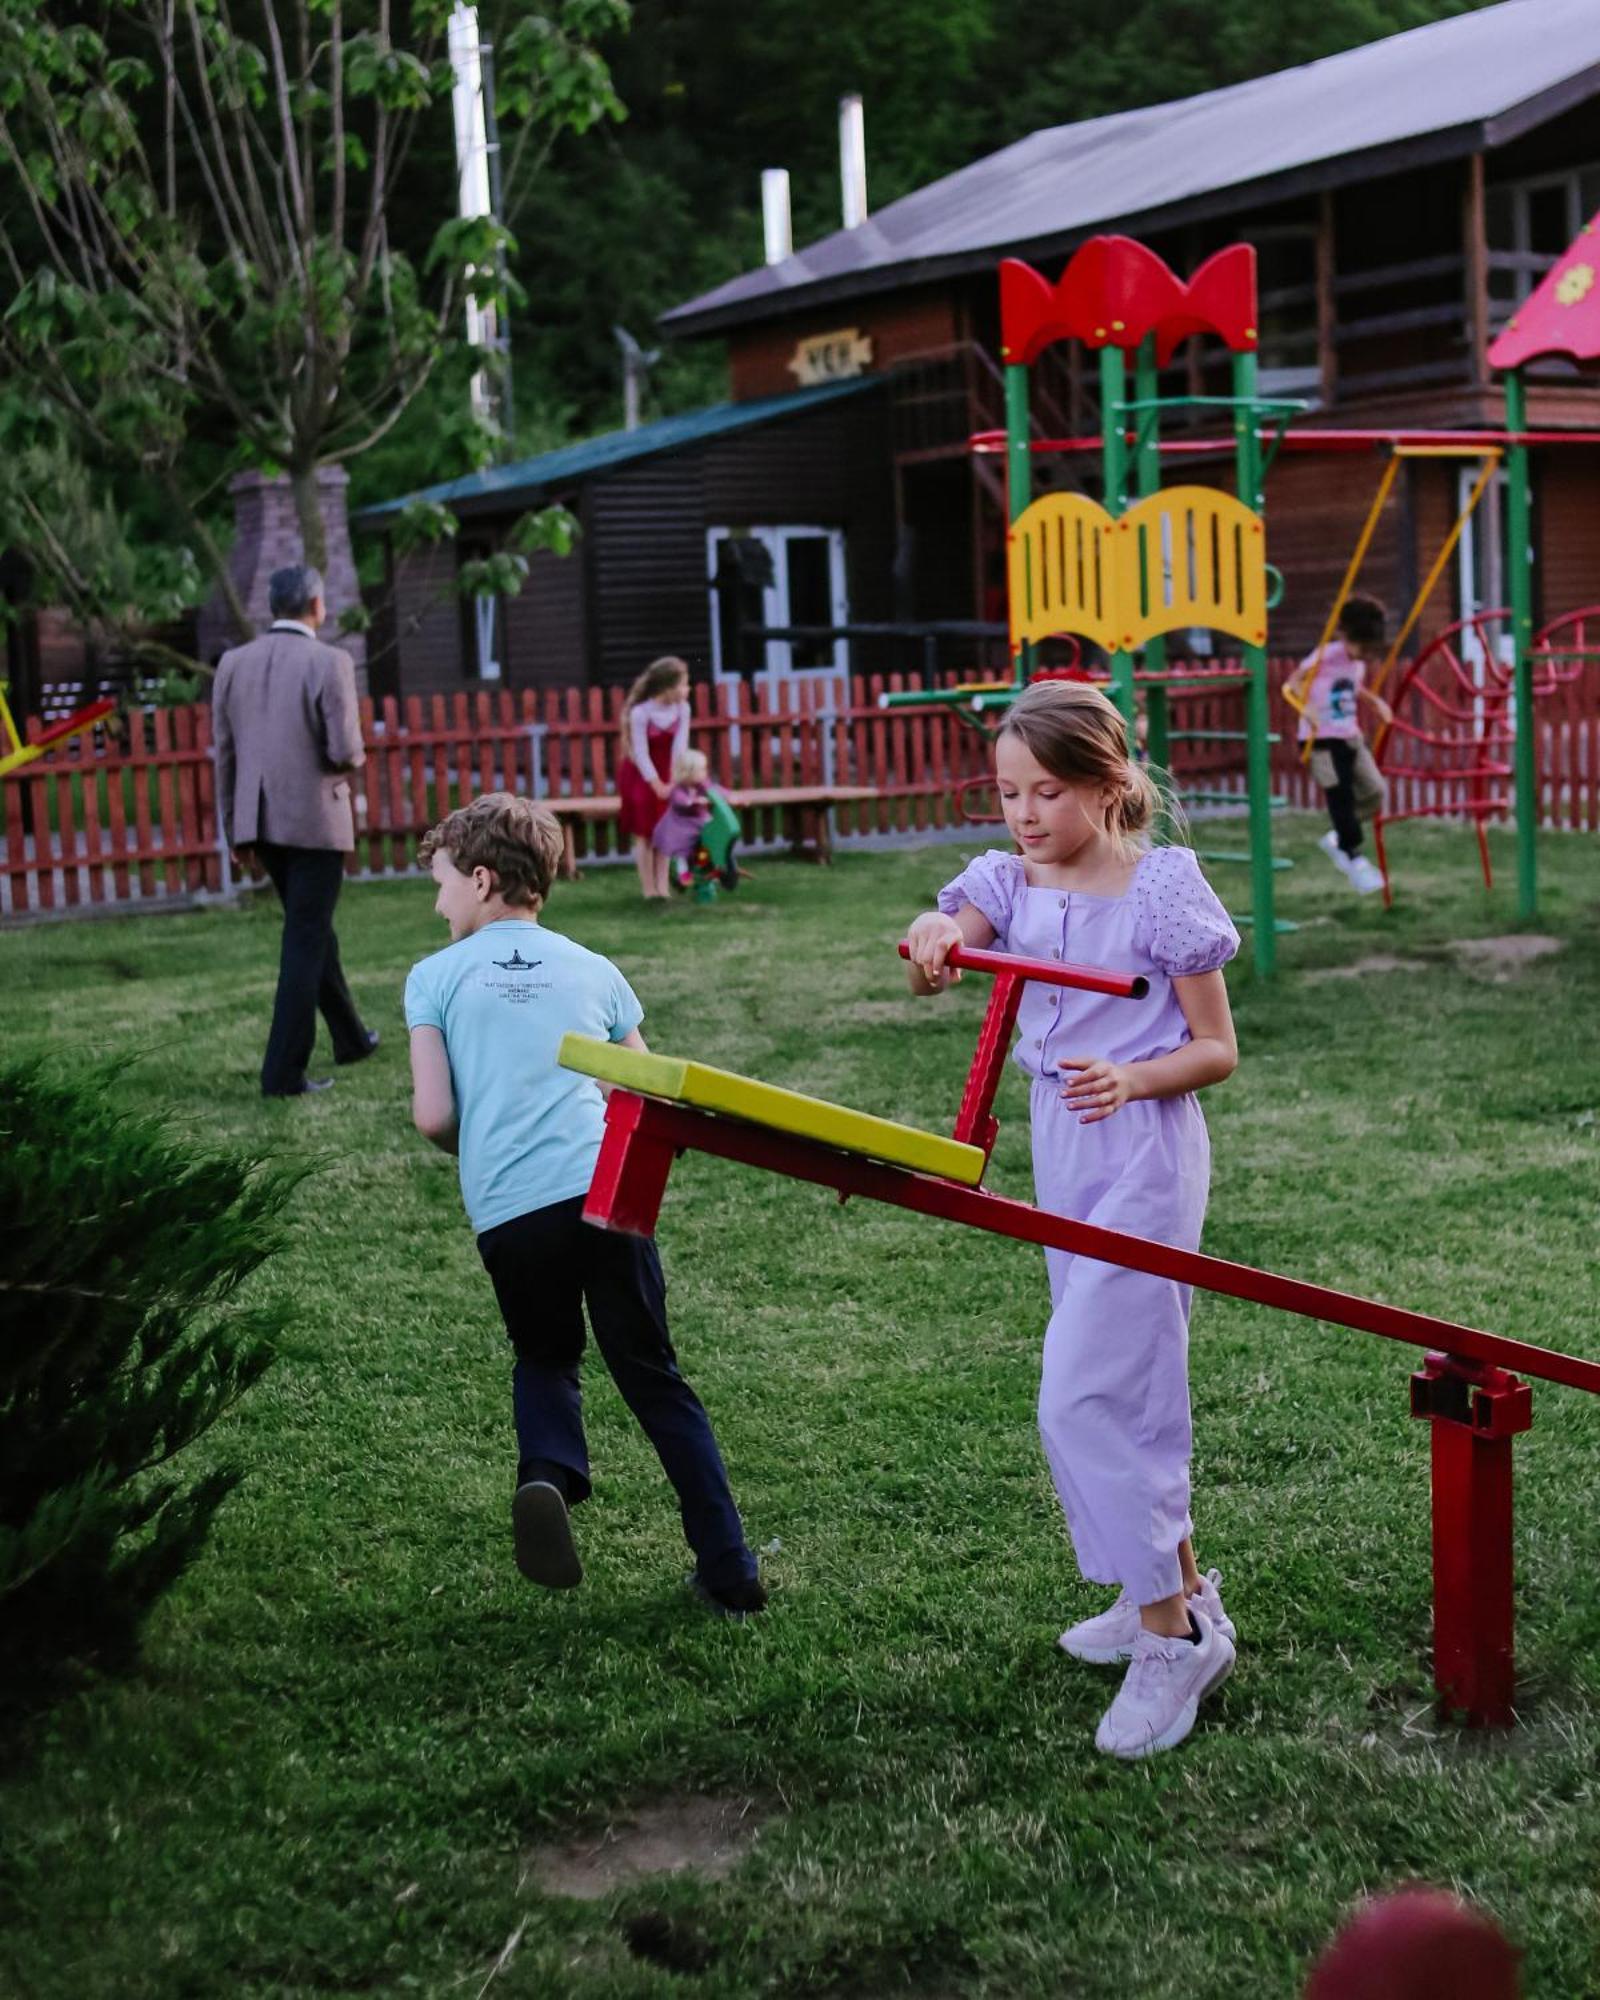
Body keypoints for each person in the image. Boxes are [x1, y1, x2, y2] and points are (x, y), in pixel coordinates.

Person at [903, 679, 1240, 1760]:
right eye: (1008, 792)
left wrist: (1134, 1078)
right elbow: (954, 925)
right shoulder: (1009, 878)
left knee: (1084, 1389)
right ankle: (1181, 1585)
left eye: (1047, 791)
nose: (1025, 814)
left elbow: (1214, 1048)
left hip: (1140, 1142)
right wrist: (931, 930)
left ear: (1107, 783)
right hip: (1063, 1138)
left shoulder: (1160, 891)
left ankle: (1167, 1637)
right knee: (1125, 1374)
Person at [404, 791, 766, 1615]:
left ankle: (548, 1477)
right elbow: (643, 1090)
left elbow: (434, 1116)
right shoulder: (596, 968)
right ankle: (730, 1565)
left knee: (545, 1356)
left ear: (483, 880)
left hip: (511, 1208)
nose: (437, 902)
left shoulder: (434, 979)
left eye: (441, 884)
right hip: (608, 1192)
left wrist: (489, 1139)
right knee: (653, 1376)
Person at [212, 564, 379, 1097]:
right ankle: (282, 1073)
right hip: (313, 821)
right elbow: (344, 750)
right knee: (305, 938)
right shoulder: (329, 660)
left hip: (258, 821)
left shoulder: (233, 662)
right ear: (317, 605)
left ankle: (351, 1038)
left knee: (312, 928)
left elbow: (225, 756)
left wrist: (235, 830)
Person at [1287, 594, 1394, 895]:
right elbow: (1293, 683)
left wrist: (1375, 702)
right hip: (1319, 740)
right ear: (1344, 635)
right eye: (1360, 646)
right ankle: (1354, 859)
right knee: (1341, 796)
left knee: (1375, 791)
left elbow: (1353, 688)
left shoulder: (1354, 662)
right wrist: (1304, 707)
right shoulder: (1327, 654)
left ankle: (1338, 835)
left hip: (1349, 735)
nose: (1364, 654)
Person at [617, 656, 692, 901]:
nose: (687, 689)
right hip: (641, 775)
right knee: (645, 833)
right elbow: (640, 752)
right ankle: (648, 889)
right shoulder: (641, 713)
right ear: (667, 687)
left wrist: (675, 780)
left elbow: (680, 747)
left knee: (665, 831)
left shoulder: (683, 709)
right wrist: (656, 783)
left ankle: (663, 887)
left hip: (669, 773)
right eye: (683, 684)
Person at [649, 749, 715, 889]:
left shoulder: (702, 785)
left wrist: (731, 797)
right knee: (683, 848)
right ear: (688, 772)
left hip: (699, 821)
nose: (705, 772)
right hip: (681, 824)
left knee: (708, 841)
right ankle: (682, 871)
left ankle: (706, 866)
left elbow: (716, 791)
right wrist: (693, 801)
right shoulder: (677, 789)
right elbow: (680, 800)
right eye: (701, 769)